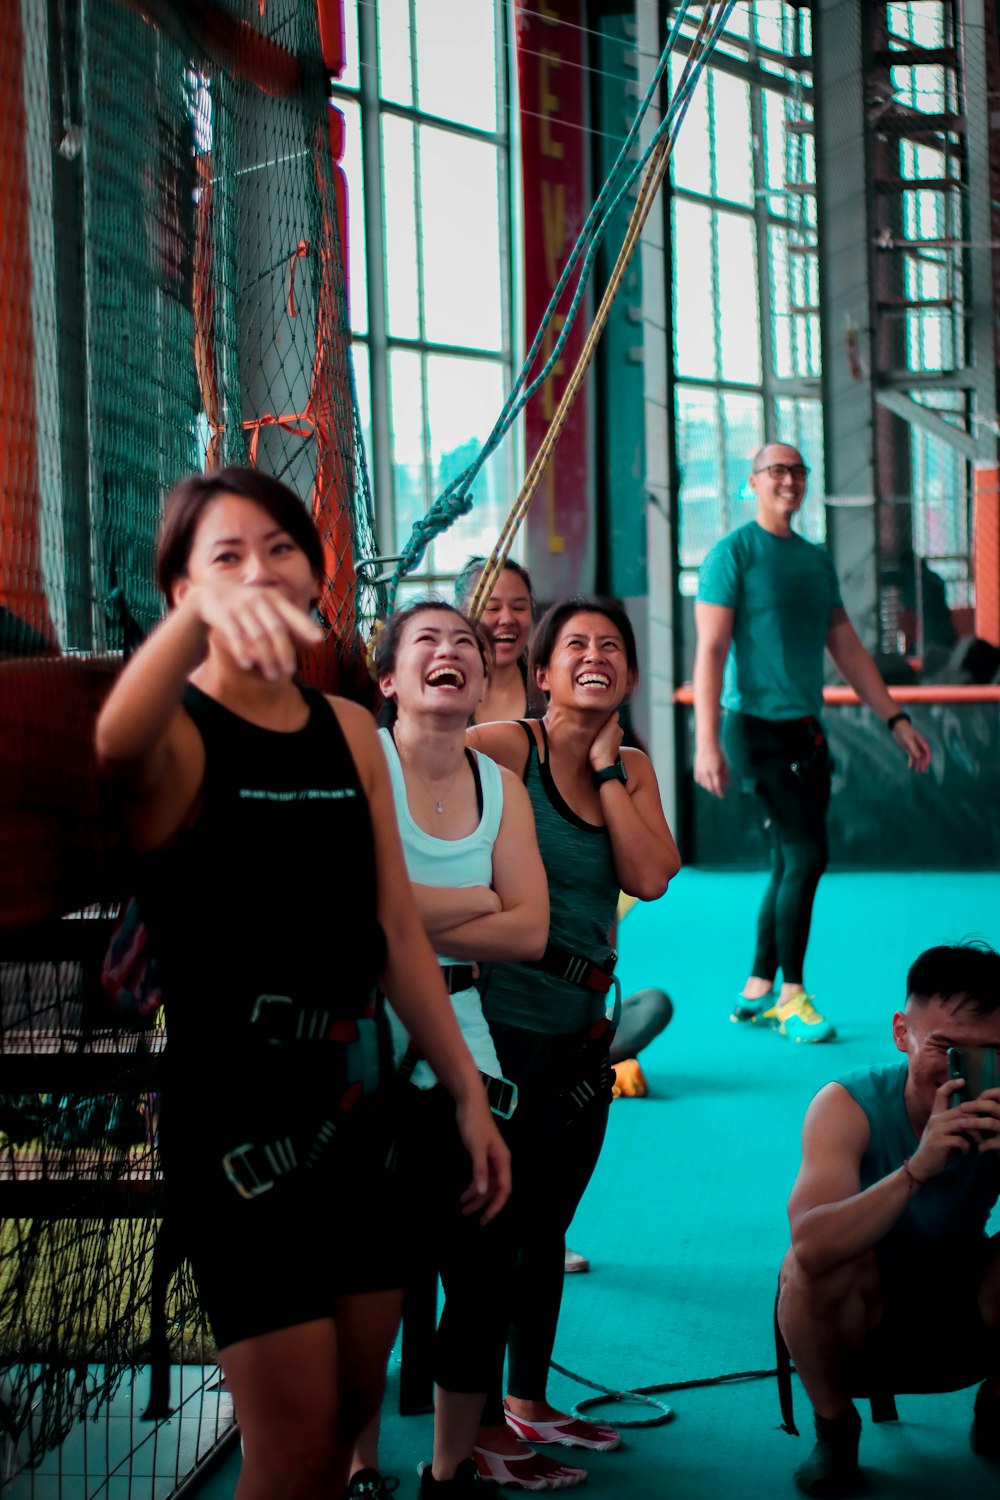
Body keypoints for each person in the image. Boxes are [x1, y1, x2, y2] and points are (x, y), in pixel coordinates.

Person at [94, 469, 509, 1500]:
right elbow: (114, 742)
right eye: (223, 557)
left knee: (341, 1421)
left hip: (359, 1121)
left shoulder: (347, 732)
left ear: (314, 575)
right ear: (178, 595)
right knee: (283, 1453)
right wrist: (199, 632)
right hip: (237, 1138)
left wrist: (462, 1087)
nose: (257, 570)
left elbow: (395, 930)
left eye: (278, 548)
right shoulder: (180, 735)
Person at [467, 597, 681, 1488]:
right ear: (544, 671)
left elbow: (651, 874)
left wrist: (600, 771)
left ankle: (527, 1399)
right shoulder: (502, 749)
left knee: (548, 1222)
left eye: (612, 647)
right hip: (498, 1032)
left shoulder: (626, 763)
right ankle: (474, 1423)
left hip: (583, 1036)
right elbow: (418, 777)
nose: (596, 655)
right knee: (494, 1233)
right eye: (576, 646)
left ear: (628, 674)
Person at [348, 600, 548, 1500]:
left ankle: (449, 1466)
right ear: (389, 678)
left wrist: (401, 913)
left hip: (470, 1047)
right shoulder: (363, 765)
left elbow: (534, 930)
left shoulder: (498, 786)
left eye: (466, 642)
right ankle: (357, 1470)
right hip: (361, 1043)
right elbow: (347, 913)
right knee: (367, 1272)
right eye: (426, 640)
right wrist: (476, 908)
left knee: (480, 1265)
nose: (452, 651)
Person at [694, 443, 932, 1042]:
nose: (789, 480)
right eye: (777, 470)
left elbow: (846, 648)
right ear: (754, 483)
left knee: (787, 859)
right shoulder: (732, 555)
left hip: (806, 733)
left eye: (798, 471)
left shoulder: (814, 559)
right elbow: (712, 651)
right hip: (751, 731)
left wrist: (895, 720)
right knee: (806, 855)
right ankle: (792, 996)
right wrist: (705, 743)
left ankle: (756, 987)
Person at [778, 942, 1000, 1495]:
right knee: (806, 1271)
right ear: (902, 1033)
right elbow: (809, 1247)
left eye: (991, 1053)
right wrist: (916, 1169)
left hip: (964, 1295)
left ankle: (998, 1406)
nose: (965, 1072)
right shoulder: (845, 1105)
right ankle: (835, 1429)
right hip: (865, 1305)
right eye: (947, 1048)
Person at [454, 556, 545, 723]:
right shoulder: (441, 688)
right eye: (493, 608)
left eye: (519, 608)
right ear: (463, 614)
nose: (507, 619)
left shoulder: (549, 689)